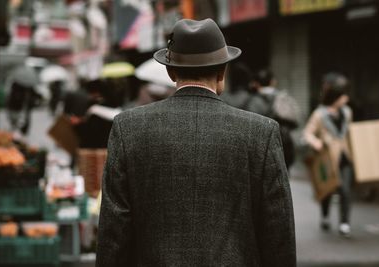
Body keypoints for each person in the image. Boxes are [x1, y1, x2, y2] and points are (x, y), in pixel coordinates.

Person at [96, 18, 296, 266]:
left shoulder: (128, 128)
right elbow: (278, 234)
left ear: (170, 71)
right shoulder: (261, 132)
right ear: (223, 71)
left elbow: (113, 232)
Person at [303, 72, 354, 237]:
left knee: (346, 189)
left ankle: (344, 222)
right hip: (327, 157)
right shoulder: (319, 114)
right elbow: (307, 133)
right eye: (343, 95)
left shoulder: (347, 112)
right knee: (328, 189)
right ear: (336, 97)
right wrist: (316, 142)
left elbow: (349, 133)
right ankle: (325, 215)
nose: (346, 98)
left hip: (345, 156)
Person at [249, 69, 299, 169]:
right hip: (282, 146)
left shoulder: (252, 101)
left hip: (260, 149)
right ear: (273, 82)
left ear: (256, 83)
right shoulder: (283, 98)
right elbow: (295, 121)